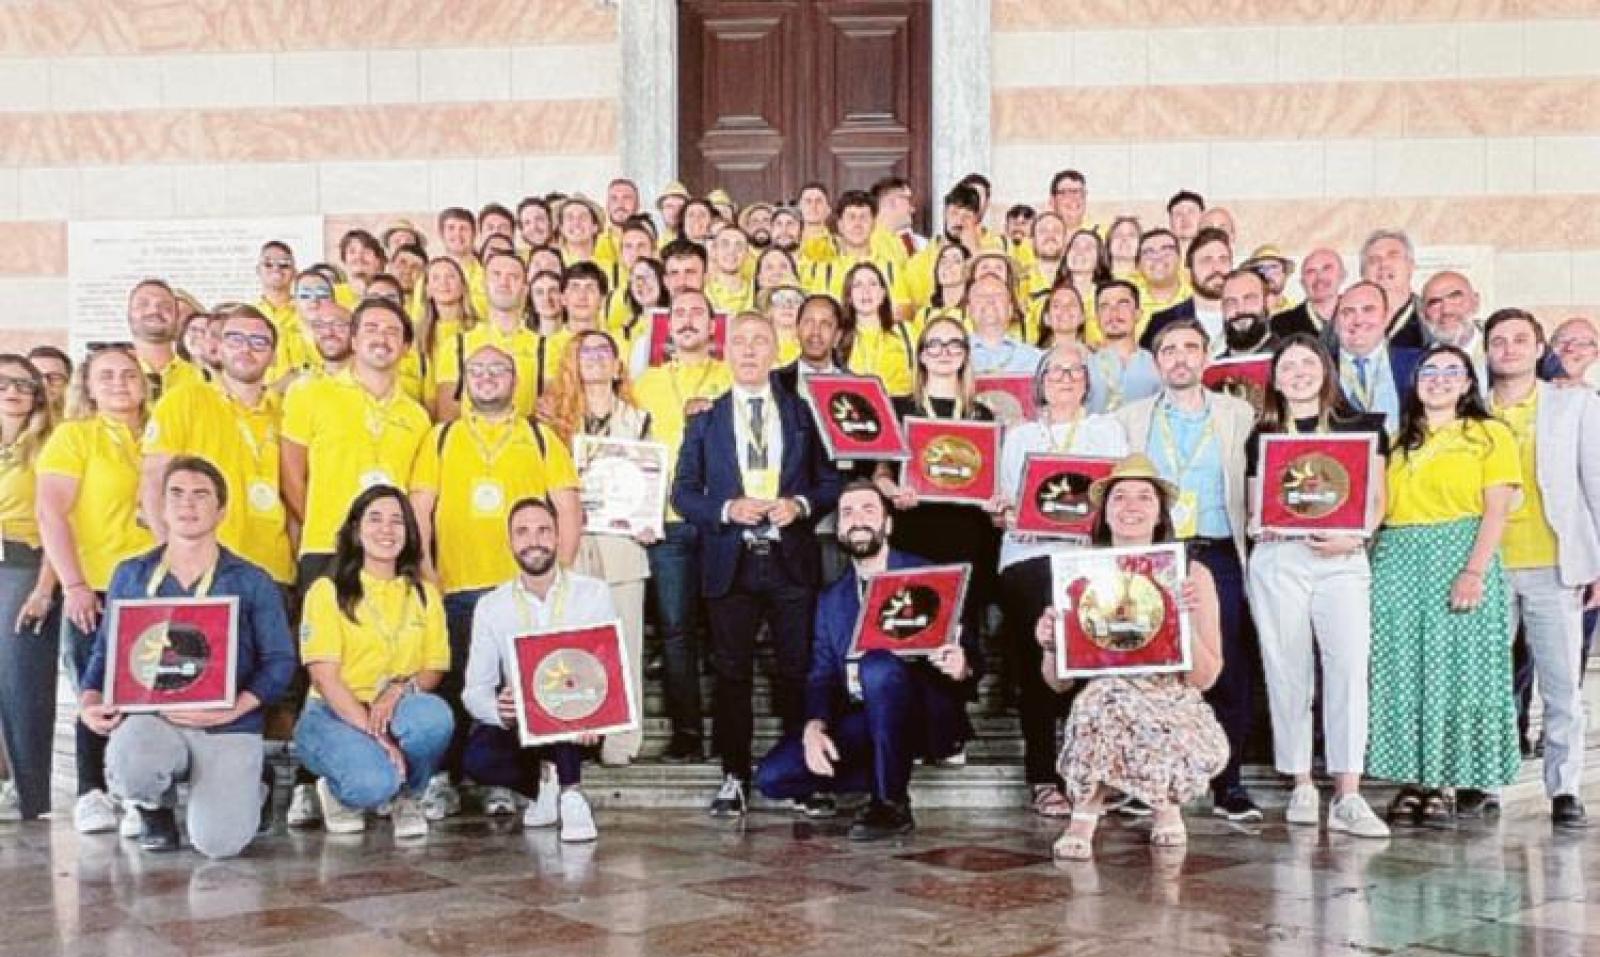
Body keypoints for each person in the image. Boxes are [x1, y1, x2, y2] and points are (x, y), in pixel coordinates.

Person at [78, 457, 295, 856]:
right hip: (154, 720)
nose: (187, 504)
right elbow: (105, 654)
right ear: (161, 507)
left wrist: (234, 709)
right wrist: (89, 702)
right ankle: (152, 808)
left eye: (201, 495)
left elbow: (280, 662)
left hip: (228, 724)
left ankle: (255, 779)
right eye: (176, 494)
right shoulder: (131, 575)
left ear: (221, 510)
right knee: (131, 762)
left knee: (219, 845)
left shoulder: (252, 580)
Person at [673, 312, 842, 817]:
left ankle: (801, 776)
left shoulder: (804, 414)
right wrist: (726, 509)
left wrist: (801, 507)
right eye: (740, 342)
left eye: (760, 342)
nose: (749, 351)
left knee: (797, 671)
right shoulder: (704, 418)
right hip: (730, 560)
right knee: (731, 674)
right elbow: (682, 494)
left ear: (776, 350)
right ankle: (734, 776)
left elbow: (830, 481)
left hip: (791, 559)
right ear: (726, 352)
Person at [410, 339, 580, 817]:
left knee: (515, 693)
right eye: (477, 369)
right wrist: (427, 573)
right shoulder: (440, 437)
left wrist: (556, 577)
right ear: (464, 381)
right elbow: (420, 509)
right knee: (456, 686)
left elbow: (566, 507)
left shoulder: (540, 436)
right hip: (457, 588)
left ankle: (499, 781)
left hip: (520, 593)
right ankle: (443, 779)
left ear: (516, 383)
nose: (486, 377)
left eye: (498, 370)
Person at [755, 481, 979, 838]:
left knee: (878, 664)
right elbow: (821, 676)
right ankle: (887, 764)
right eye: (847, 513)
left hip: (925, 712)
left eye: (868, 510)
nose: (857, 520)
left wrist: (961, 666)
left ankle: (890, 802)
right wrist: (814, 726)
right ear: (839, 530)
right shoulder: (831, 600)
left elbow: (969, 650)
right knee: (773, 777)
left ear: (888, 524)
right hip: (862, 715)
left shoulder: (928, 575)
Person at [1036, 453, 1226, 859]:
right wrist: (1051, 645)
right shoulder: (1079, 577)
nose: (1131, 507)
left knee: (1114, 697)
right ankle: (1087, 814)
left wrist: (1184, 619)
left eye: (1144, 497)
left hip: (1175, 706)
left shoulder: (1193, 574)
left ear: (1160, 514)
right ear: (1104, 513)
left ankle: (1164, 801)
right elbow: (1058, 682)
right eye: (1120, 497)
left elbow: (1207, 677)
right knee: (1103, 694)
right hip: (1105, 706)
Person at [1243, 335, 1391, 837]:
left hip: (1342, 557)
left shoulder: (1362, 427)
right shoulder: (1261, 434)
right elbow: (1253, 504)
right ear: (1276, 378)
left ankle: (1348, 793)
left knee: (1348, 669)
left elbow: (1377, 498)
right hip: (1280, 559)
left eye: (1309, 363)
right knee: (1287, 670)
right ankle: (1302, 782)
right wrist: (1259, 524)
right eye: (1288, 365)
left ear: (1326, 370)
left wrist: (1356, 535)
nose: (1299, 373)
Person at [1114, 318, 1260, 821]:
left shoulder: (1237, 413)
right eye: (1168, 350)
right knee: (1147, 663)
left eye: (1189, 348)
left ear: (1205, 356)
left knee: (1225, 662)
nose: (1179, 357)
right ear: (1156, 363)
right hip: (1155, 550)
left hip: (1217, 548)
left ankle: (1229, 784)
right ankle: (1143, 782)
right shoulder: (1130, 417)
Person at [1369, 344, 1520, 828]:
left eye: (1451, 371)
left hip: (1459, 554)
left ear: (1469, 382)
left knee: (1456, 670)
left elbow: (1496, 509)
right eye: (1428, 371)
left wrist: (1473, 570)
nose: (1438, 379)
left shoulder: (1489, 434)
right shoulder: (1397, 441)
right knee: (1403, 671)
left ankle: (1448, 779)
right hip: (1398, 561)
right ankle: (1412, 778)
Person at [995, 342, 1128, 816]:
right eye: (1055, 372)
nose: (1066, 379)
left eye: (1075, 371)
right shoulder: (1020, 435)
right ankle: (1043, 777)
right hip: (1029, 558)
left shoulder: (1107, 430)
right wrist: (1007, 515)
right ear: (1040, 382)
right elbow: (1006, 502)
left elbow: (1119, 497)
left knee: (1092, 656)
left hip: (1087, 556)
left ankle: (1090, 772)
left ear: (1088, 382)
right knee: (1043, 648)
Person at [1483, 309, 1597, 829]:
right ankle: (1482, 780)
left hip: (1554, 562)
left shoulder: (1572, 405)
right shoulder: (1474, 411)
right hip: (1487, 564)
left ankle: (1564, 786)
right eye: (1498, 341)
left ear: (1537, 348)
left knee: (1559, 682)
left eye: (1519, 340)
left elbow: (1594, 482)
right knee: (1487, 680)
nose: (1508, 349)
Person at [36, 345, 155, 835]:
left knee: (146, 687)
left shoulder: (155, 437)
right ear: (87, 385)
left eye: (129, 374)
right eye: (106, 376)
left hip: (153, 583)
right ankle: (92, 791)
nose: (120, 383)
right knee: (95, 684)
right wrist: (75, 584)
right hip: (98, 582)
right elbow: (51, 513)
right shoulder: (74, 436)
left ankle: (136, 790)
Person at [294, 486, 452, 840]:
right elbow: (325, 679)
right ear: (355, 530)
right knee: (370, 784)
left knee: (433, 717)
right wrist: (378, 738)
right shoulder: (327, 591)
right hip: (335, 711)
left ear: (410, 532)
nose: (387, 529)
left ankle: (408, 795)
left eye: (398, 521)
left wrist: (398, 690)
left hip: (395, 708)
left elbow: (434, 667)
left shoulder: (425, 595)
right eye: (375, 519)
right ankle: (338, 791)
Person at [461, 498, 613, 841]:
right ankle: (544, 783)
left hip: (579, 720)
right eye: (523, 532)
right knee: (477, 758)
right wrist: (500, 711)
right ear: (511, 542)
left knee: (561, 699)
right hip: (522, 726)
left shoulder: (593, 594)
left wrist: (599, 714)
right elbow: (474, 689)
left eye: (543, 530)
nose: (534, 541)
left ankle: (572, 795)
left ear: (559, 537)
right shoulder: (491, 606)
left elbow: (608, 670)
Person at [873, 318, 1001, 714]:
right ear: (921, 355)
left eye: (954, 344)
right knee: (913, 623)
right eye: (934, 344)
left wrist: (996, 498)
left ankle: (953, 724)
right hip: (913, 531)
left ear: (965, 354)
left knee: (960, 633)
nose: (944, 352)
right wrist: (892, 491)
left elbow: (995, 477)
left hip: (967, 535)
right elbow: (879, 473)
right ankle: (910, 721)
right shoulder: (899, 409)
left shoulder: (983, 414)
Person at [540, 330, 654, 766]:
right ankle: (568, 735)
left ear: (618, 363)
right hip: (569, 541)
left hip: (622, 542)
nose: (594, 358)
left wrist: (647, 517)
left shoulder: (638, 419)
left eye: (603, 350)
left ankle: (622, 741)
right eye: (584, 351)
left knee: (625, 644)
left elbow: (648, 481)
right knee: (569, 644)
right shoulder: (553, 421)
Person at [631, 289, 731, 761]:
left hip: (721, 520)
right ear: (668, 328)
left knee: (728, 625)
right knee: (674, 629)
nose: (688, 319)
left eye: (698, 312)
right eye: (680, 313)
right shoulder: (644, 382)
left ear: (714, 327)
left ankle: (735, 729)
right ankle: (688, 733)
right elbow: (626, 450)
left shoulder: (732, 376)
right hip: (664, 523)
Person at [141, 305, 294, 590]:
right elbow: (152, 481)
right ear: (219, 348)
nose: (246, 349)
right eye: (235, 339)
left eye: (259, 342)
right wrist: (172, 555)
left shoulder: (285, 411)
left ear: (273, 356)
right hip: (204, 567)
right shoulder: (184, 400)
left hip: (274, 569)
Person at [0, 355, 59, 821]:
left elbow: (57, 522)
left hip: (24, 567)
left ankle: (31, 795)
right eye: (3, 383)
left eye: (23, 384)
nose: (13, 392)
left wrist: (44, 588)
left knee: (23, 687)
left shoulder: (49, 445)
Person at [1329, 282, 1422, 436]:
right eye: (1347, 312)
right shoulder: (1318, 367)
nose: (1358, 321)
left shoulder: (1417, 363)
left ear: (1387, 317)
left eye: (1368, 310)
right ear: (1336, 322)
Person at [1140, 228, 1233, 353]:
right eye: (1206, 260)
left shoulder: (1250, 316)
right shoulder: (1162, 322)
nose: (1216, 268)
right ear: (1189, 272)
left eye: (1223, 259)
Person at [839, 262, 916, 396]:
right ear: (849, 297)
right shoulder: (838, 337)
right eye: (858, 285)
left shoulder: (907, 332)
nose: (866, 291)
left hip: (901, 409)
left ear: (883, 294)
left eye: (872, 284)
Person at [1087, 281, 1161, 415]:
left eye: (1123, 304)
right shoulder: (1083, 366)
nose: (1113, 313)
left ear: (1138, 314)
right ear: (1097, 318)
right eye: (1105, 306)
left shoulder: (1159, 365)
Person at [126, 279, 206, 402]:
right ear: (129, 313)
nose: (154, 311)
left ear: (176, 317)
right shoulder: (107, 375)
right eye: (143, 304)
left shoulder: (202, 377)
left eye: (165, 306)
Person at [1360, 229, 1426, 348]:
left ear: (1410, 266)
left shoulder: (1431, 317)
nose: (1383, 264)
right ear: (1363, 274)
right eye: (1374, 260)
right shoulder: (1345, 322)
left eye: (1393, 256)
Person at [968, 274, 1043, 375]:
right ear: (969, 310)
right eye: (981, 295)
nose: (990, 301)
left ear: (1011, 309)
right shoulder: (950, 356)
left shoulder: (1036, 359)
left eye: (998, 295)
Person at [1271, 247, 1343, 346]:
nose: (1319, 277)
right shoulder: (1281, 324)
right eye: (1311, 272)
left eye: (1327, 268)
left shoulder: (1360, 316)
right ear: (1302, 283)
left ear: (1342, 275)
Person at [1217, 268, 1277, 359]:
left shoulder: (1287, 358)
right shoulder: (1213, 367)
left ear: (1268, 302)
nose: (1240, 309)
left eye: (1249, 299)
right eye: (1231, 302)